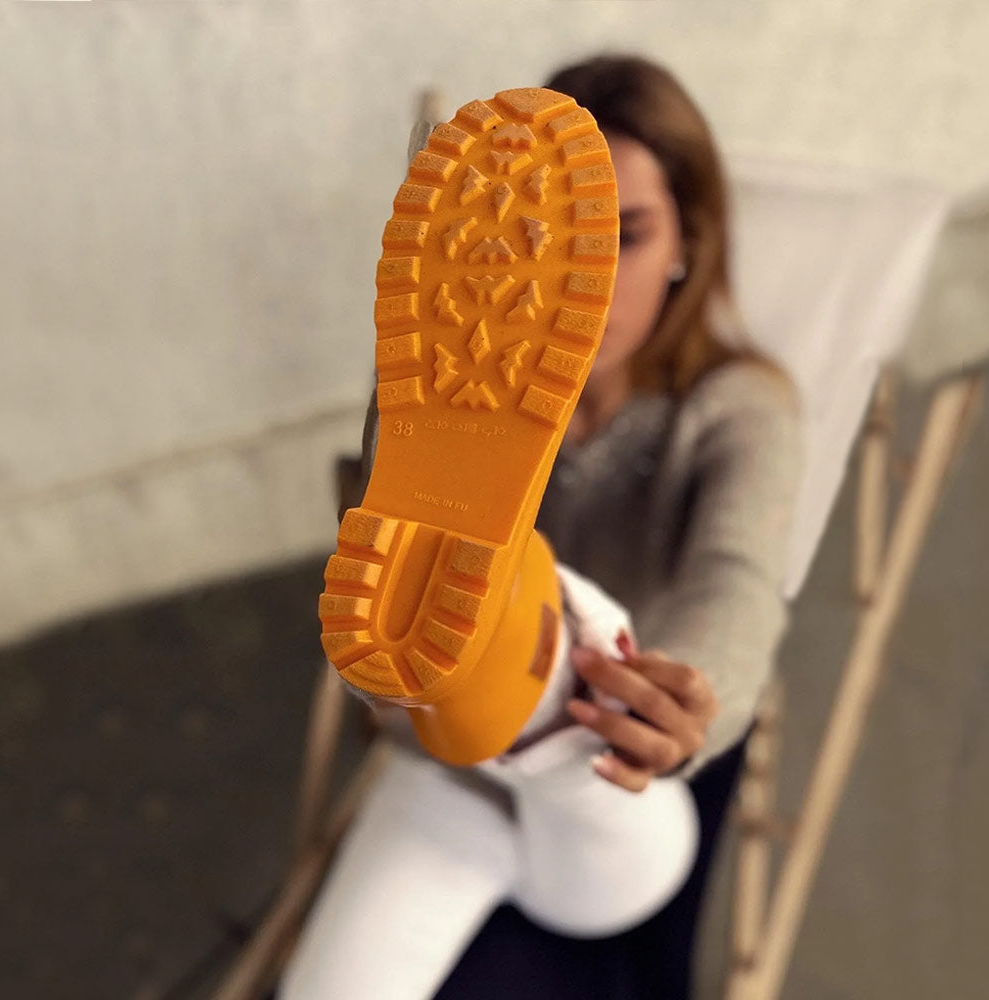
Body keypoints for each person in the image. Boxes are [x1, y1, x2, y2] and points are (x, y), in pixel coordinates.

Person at [286, 54, 803, 1000]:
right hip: (441, 764)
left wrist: (690, 691)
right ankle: (488, 655)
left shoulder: (737, 408)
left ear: (692, 235)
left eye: (627, 237)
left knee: (580, 667)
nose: (589, 282)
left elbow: (735, 576)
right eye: (557, 243)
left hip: (613, 781)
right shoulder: (446, 397)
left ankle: (536, 656)